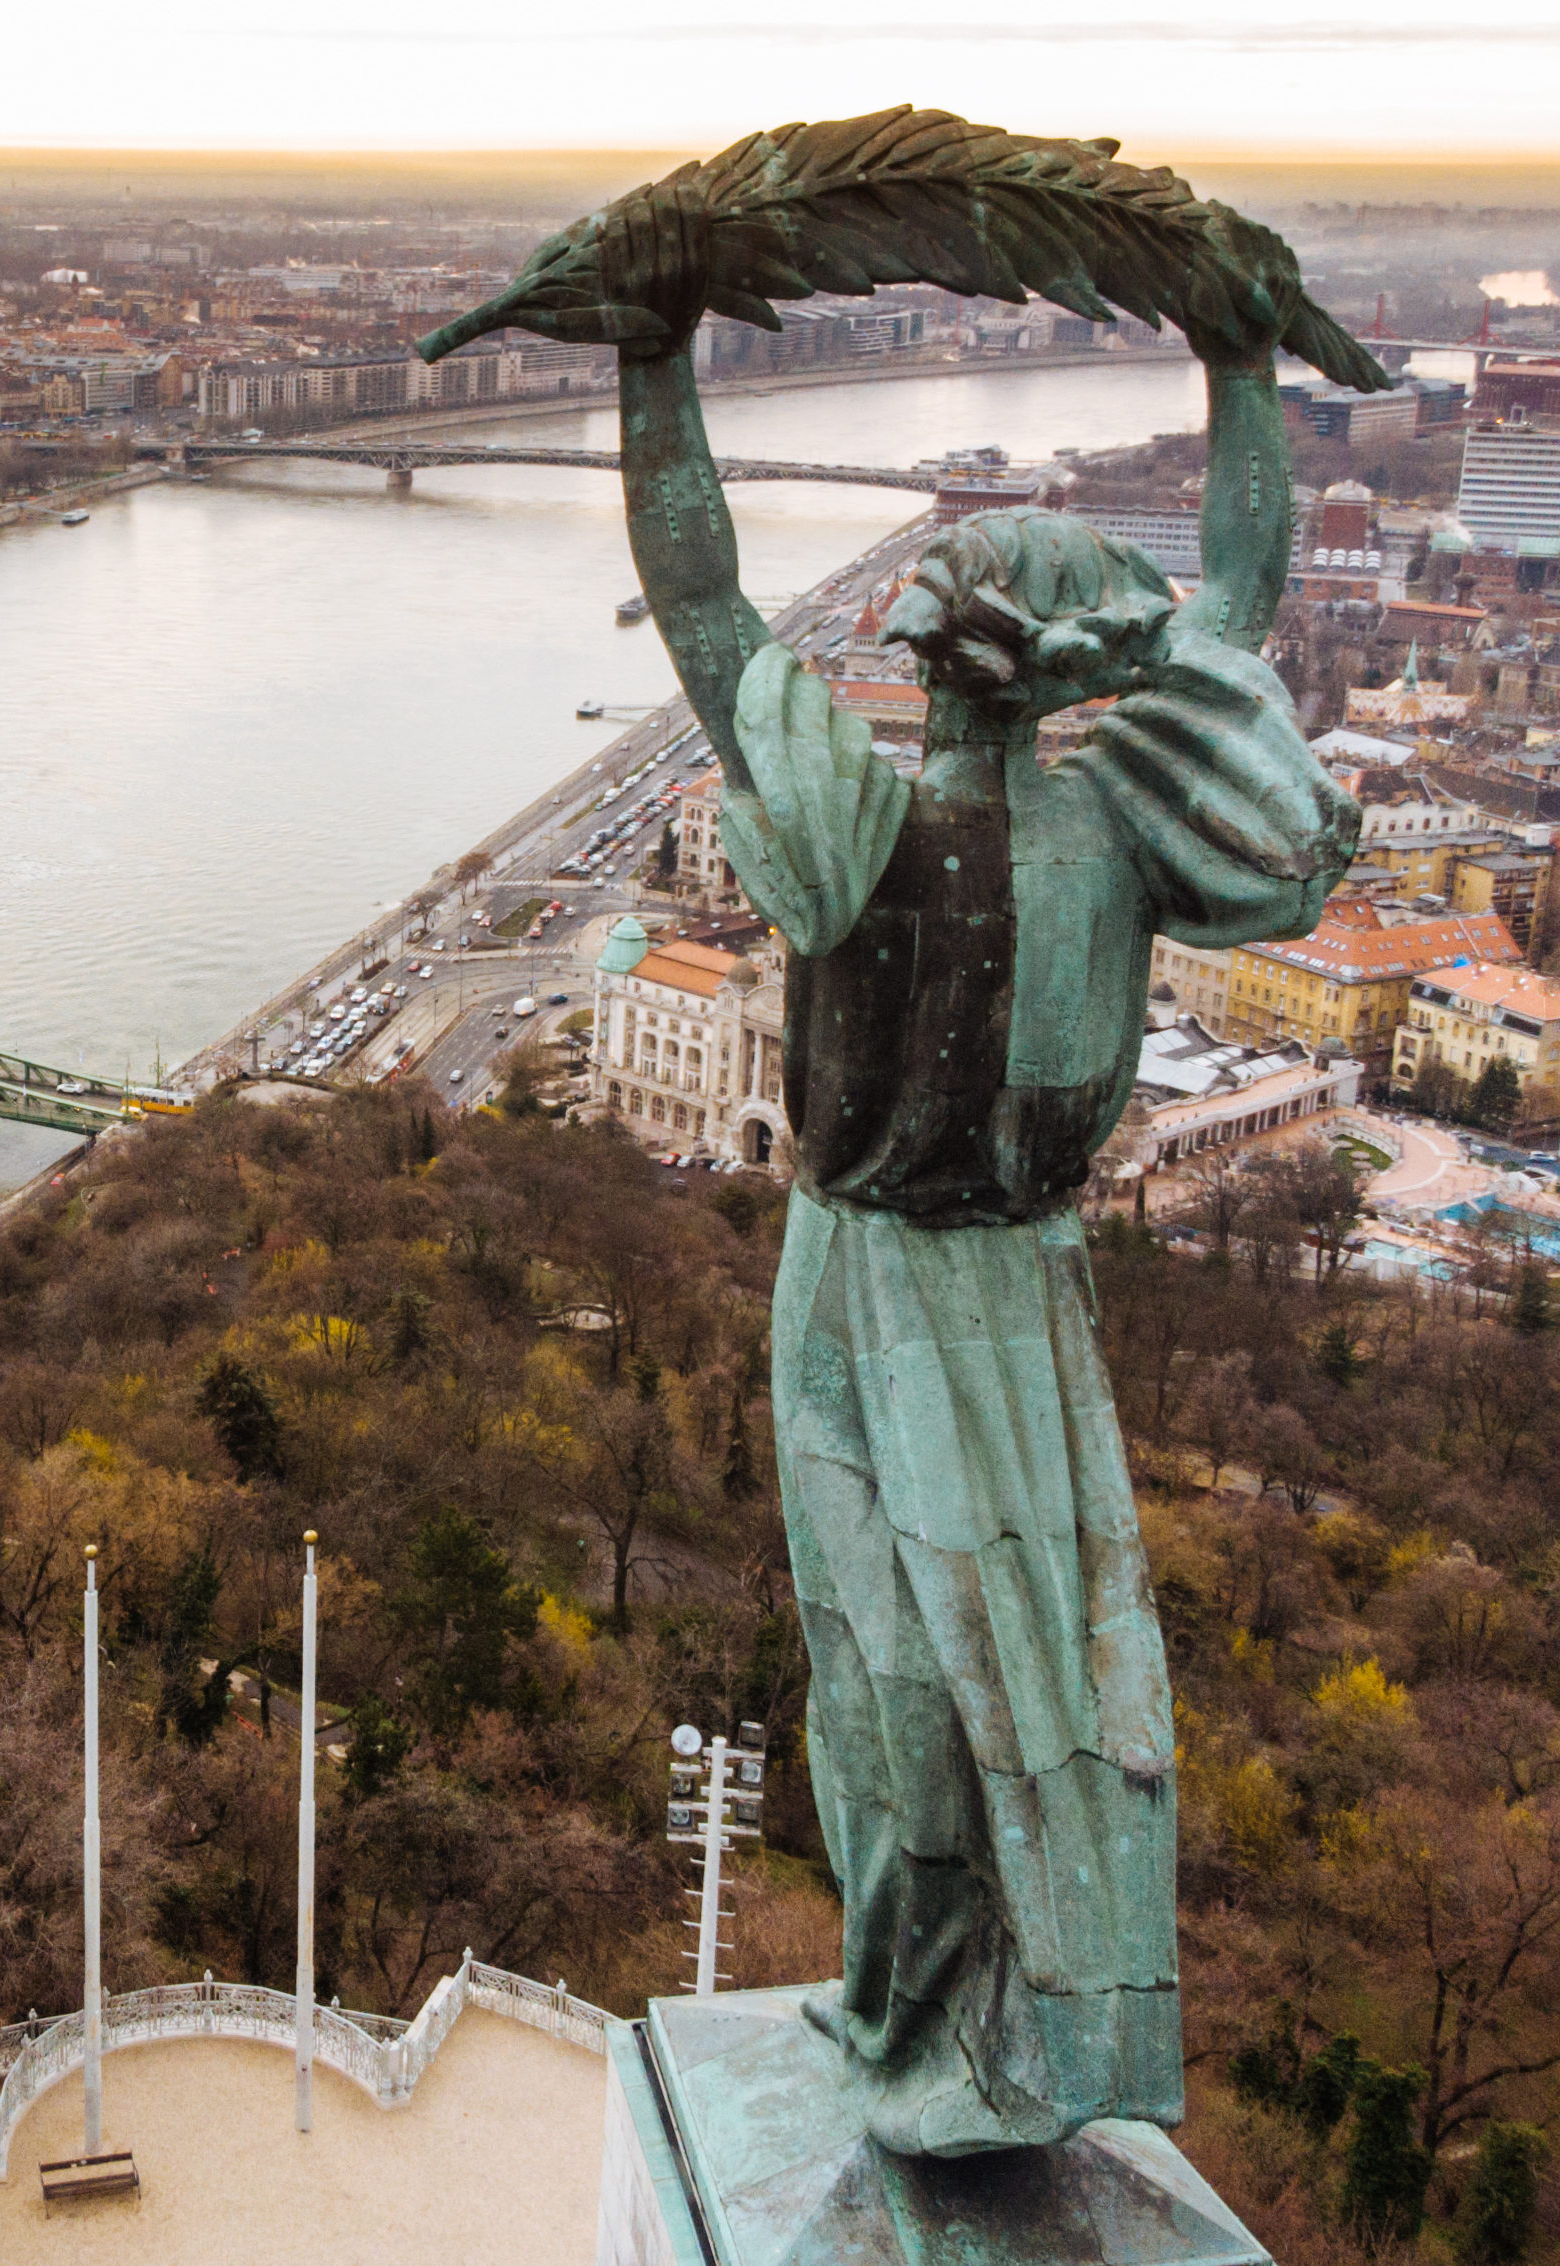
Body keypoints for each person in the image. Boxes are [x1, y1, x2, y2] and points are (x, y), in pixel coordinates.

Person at [439, 168, 1356, 2155]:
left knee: (882, 1673)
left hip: (863, 1286)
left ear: (931, 651)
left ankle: (926, 2014)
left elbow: (694, 596)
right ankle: (984, 2030)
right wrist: (1235, 358)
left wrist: (657, 352)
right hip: (1024, 1298)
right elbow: (1234, 592)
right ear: (1060, 669)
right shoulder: (1119, 826)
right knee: (1023, 1669)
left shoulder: (848, 830)